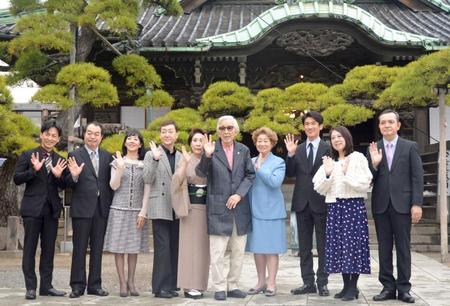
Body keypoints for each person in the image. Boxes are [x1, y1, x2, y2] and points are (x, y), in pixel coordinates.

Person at [196, 115, 255, 301]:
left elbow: (250, 175)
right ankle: (219, 287)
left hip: (239, 208)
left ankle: (233, 285)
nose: (226, 131)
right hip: (218, 208)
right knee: (217, 253)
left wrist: (239, 194)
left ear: (236, 131)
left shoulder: (244, 150)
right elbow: (200, 173)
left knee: (238, 252)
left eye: (230, 128)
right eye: (222, 128)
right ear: (218, 131)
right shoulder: (212, 150)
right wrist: (206, 156)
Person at [367, 109, 423, 304]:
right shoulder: (374, 148)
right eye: (383, 123)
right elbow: (369, 180)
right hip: (381, 205)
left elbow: (417, 177)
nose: (387, 125)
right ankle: (387, 287)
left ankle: (404, 288)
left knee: (403, 248)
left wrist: (417, 203)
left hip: (403, 205)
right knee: (383, 248)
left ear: (398, 125)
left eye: (391, 122)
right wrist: (374, 164)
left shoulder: (410, 147)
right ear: (380, 127)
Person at [313, 126, 372, 301]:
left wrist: (346, 174)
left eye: (339, 136)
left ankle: (353, 287)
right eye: (333, 138)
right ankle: (346, 286)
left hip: (353, 207)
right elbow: (319, 187)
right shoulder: (330, 162)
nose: (336, 140)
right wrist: (329, 173)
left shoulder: (358, 157)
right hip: (335, 208)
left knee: (353, 247)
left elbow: (366, 183)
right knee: (340, 249)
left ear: (347, 137)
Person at [13, 120, 67, 300]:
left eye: (54, 136)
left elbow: (63, 185)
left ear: (58, 139)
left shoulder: (60, 159)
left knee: (49, 249)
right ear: (41, 134)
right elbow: (17, 178)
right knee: (29, 249)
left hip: (51, 210)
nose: (50, 138)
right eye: (48, 134)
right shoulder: (29, 155)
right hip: (32, 209)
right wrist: (34, 171)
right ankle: (30, 287)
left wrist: (59, 176)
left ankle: (46, 286)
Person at [284, 111, 330, 296]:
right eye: (307, 124)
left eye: (313, 123)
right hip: (301, 202)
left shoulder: (328, 148)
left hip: (322, 202)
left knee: (323, 245)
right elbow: (290, 173)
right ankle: (308, 282)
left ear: (320, 126)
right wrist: (290, 154)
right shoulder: (299, 148)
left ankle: (323, 282)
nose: (310, 127)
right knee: (304, 247)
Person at [65, 122, 113, 298]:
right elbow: (66, 183)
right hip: (82, 209)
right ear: (84, 135)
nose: (93, 136)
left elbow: (111, 183)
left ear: (101, 137)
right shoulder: (75, 155)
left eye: (97, 134)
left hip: (101, 209)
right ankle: (77, 285)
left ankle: (95, 284)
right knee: (79, 248)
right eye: (90, 133)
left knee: (97, 249)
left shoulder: (108, 156)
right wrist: (74, 176)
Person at [103, 130, 150, 297]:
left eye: (135, 139)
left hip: (137, 211)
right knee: (119, 248)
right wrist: (121, 169)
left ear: (140, 144)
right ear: (124, 143)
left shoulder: (145, 163)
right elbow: (113, 186)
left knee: (133, 248)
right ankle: (122, 282)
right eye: (129, 139)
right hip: (118, 209)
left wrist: (143, 212)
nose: (131, 141)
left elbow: (147, 189)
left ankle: (131, 280)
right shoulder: (117, 162)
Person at [246, 127, 287, 297]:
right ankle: (261, 281)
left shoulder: (278, 162)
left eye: (266, 141)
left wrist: (260, 168)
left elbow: (275, 183)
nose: (262, 144)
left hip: (272, 212)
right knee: (258, 248)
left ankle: (271, 283)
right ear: (255, 143)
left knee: (271, 249)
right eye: (259, 141)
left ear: (272, 143)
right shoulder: (250, 160)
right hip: (254, 209)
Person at [143, 120, 182, 298]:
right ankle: (160, 287)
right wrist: (156, 160)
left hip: (177, 207)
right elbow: (147, 178)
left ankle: (172, 284)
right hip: (159, 205)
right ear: (160, 135)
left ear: (177, 135)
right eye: (164, 131)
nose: (167, 135)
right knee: (163, 249)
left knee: (175, 247)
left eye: (170, 131)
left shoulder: (181, 155)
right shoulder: (152, 154)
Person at [171, 128, 209, 299]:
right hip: (191, 207)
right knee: (188, 247)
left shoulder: (210, 158)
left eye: (201, 140)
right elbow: (176, 181)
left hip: (207, 208)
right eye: (195, 140)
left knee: (203, 247)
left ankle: (200, 284)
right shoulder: (185, 159)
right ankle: (188, 285)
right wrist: (185, 163)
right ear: (190, 143)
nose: (198, 144)